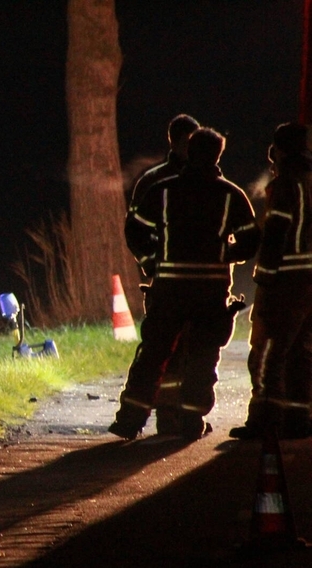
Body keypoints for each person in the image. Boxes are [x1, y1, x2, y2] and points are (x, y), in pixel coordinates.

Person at [109, 127, 261, 440]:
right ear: (217, 156)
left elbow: (135, 229)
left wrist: (152, 261)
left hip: (169, 287)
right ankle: (191, 422)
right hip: (210, 288)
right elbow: (250, 239)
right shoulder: (231, 195)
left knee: (153, 352)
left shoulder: (162, 191)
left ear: (188, 153)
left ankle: (129, 420)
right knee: (203, 355)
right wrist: (226, 255)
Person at [230, 122, 312, 440]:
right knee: (303, 352)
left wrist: (263, 278)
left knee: (268, 352)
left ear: (279, 151)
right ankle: (299, 417)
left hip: (287, 283)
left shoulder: (286, 185)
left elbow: (276, 233)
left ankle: (265, 419)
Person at [128, 114, 201, 435]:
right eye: (187, 142)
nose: (190, 148)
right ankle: (168, 416)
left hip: (200, 283)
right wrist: (150, 263)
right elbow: (135, 230)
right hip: (167, 282)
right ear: (174, 141)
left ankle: (187, 416)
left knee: (196, 350)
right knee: (165, 351)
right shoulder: (154, 181)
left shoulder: (207, 179)